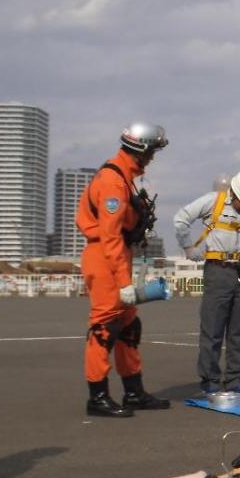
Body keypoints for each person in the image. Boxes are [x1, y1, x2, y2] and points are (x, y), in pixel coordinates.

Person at [76, 122, 171, 417]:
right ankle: (98, 396)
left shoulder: (125, 176)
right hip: (104, 256)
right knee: (106, 326)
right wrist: (123, 280)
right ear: (141, 150)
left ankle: (133, 391)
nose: (153, 157)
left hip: (116, 255)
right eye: (152, 151)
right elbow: (110, 235)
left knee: (129, 325)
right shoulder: (113, 181)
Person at [174, 168, 240, 396]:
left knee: (237, 331)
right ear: (234, 193)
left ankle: (236, 380)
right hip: (218, 271)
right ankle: (210, 382)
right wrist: (188, 246)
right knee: (213, 330)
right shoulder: (214, 201)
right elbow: (181, 218)